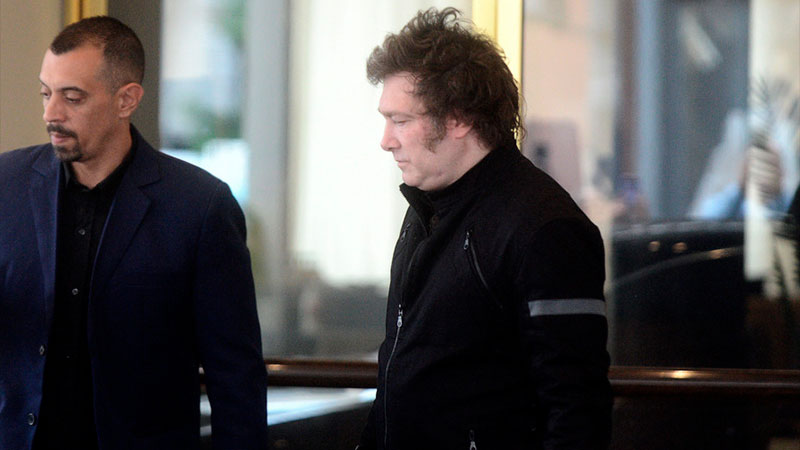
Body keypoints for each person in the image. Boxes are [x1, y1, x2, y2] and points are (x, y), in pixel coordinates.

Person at [0, 16, 267, 449]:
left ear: (126, 100)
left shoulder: (200, 206)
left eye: (72, 97)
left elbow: (236, 377)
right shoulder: (6, 184)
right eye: (46, 94)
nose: (51, 114)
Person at [358, 8, 612, 450]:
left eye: (401, 120)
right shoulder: (426, 208)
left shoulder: (546, 227)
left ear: (458, 118)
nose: (386, 140)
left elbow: (576, 410)